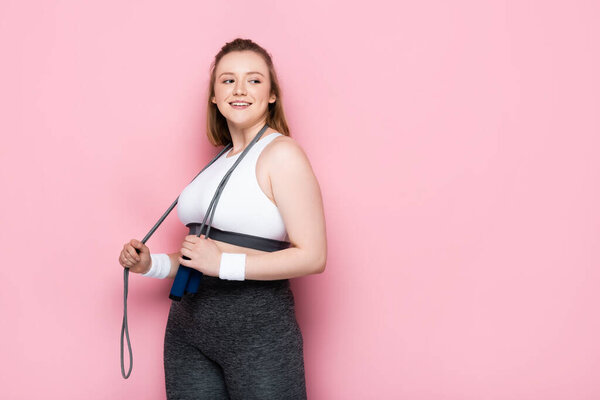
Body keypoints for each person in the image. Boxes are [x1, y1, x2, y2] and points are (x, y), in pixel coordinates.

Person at [118, 38, 327, 400]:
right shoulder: (218, 161)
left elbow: (313, 256)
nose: (240, 89)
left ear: (272, 94)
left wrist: (224, 264)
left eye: (254, 80)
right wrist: (151, 265)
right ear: (214, 96)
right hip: (188, 329)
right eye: (228, 80)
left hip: (257, 329)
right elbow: (201, 256)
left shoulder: (282, 154)